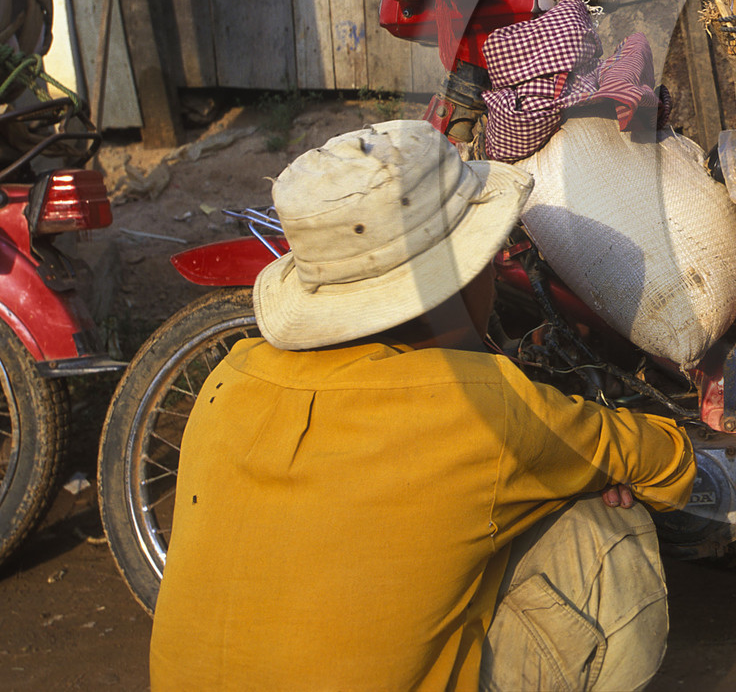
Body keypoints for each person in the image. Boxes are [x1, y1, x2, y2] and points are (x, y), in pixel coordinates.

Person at [148, 120, 696, 692]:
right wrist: (580, 475)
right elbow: (666, 460)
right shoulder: (479, 405)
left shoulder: (227, 380)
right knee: (602, 522)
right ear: (460, 278)